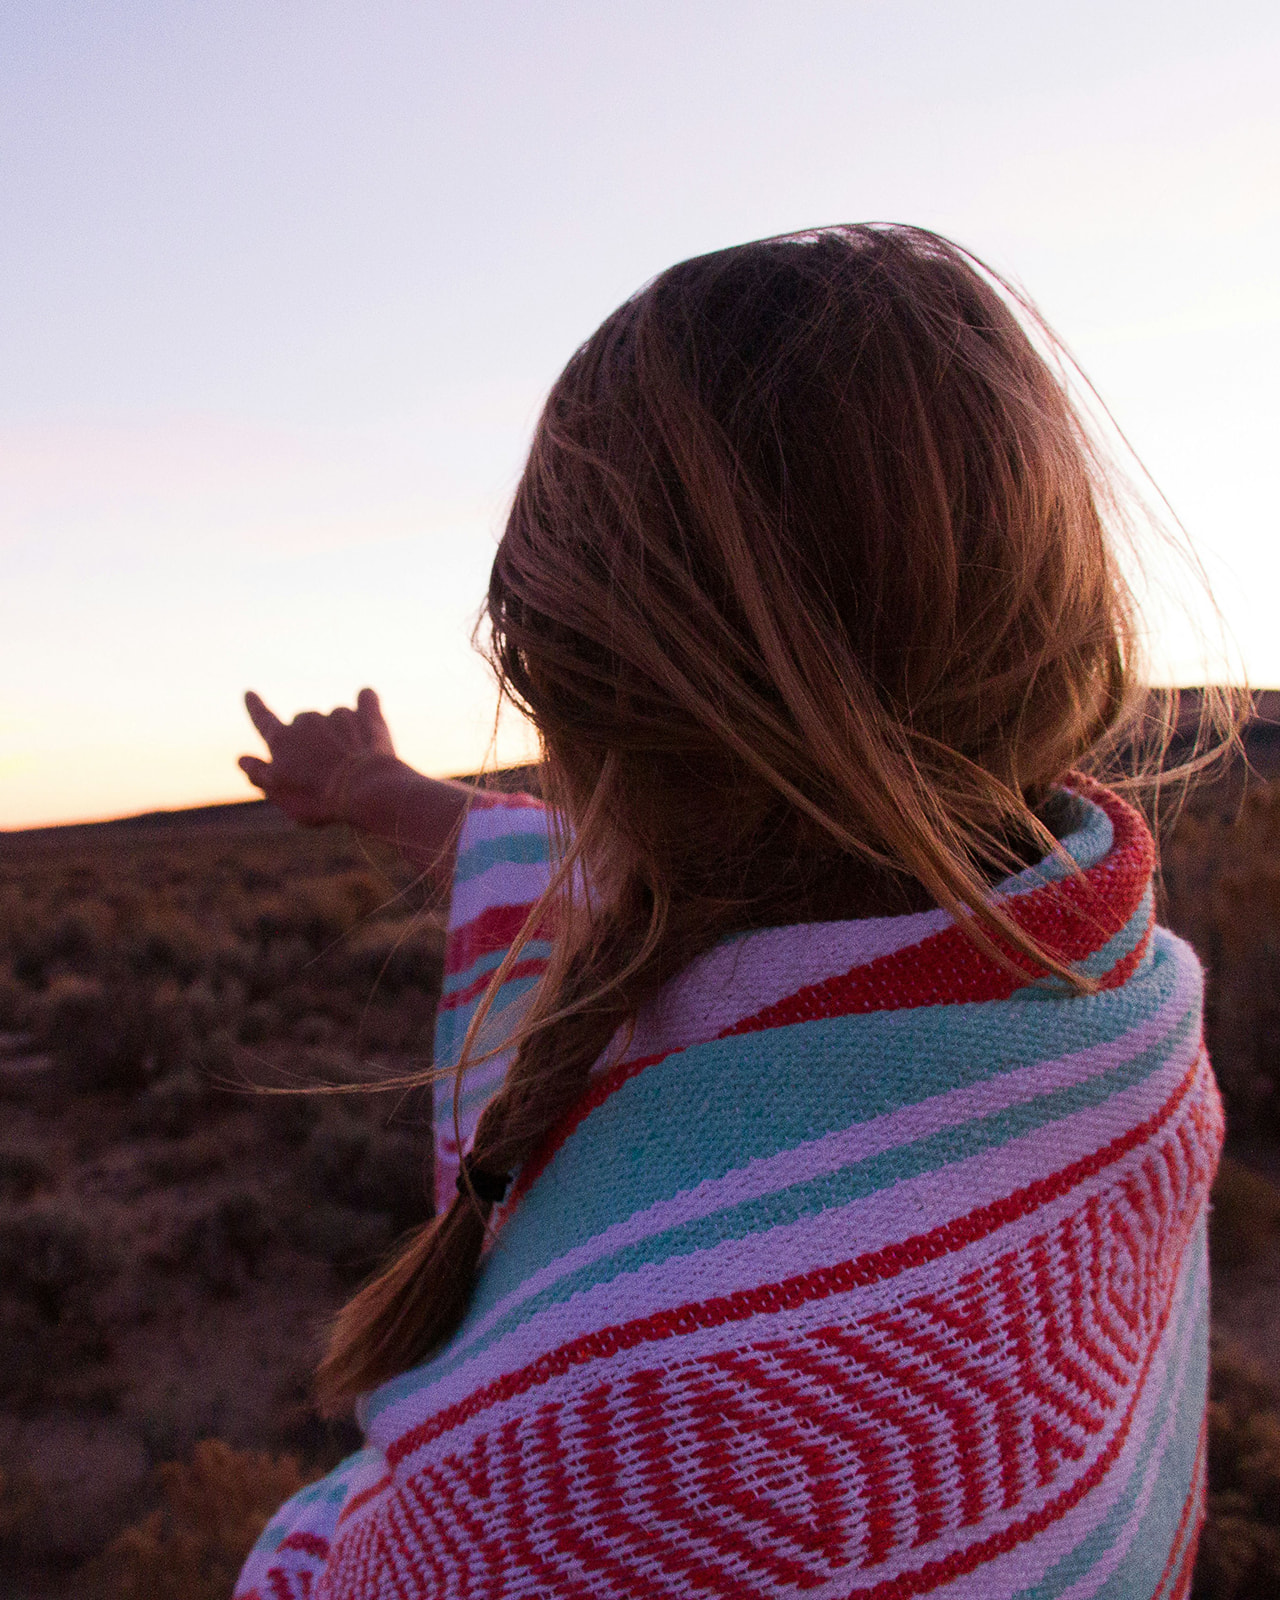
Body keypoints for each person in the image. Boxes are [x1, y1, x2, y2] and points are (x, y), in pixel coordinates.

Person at [234, 225, 1225, 1600]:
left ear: (561, 686)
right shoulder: (1113, 992)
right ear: (1059, 608)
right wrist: (394, 795)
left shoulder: (615, 1473)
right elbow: (673, 846)